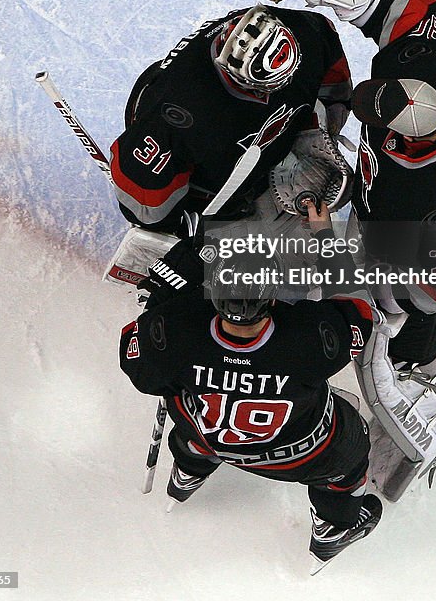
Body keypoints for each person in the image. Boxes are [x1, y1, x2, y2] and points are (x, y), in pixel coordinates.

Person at [247, 0, 436, 495]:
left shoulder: (432, 211)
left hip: (434, 271)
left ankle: (421, 382)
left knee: (402, 338)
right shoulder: (427, 82)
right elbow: (419, 15)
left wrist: (359, 284)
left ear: (403, 144)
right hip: (395, 239)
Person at [119, 209, 382, 574]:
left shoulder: (174, 326)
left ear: (213, 294)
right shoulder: (309, 336)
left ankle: (190, 468)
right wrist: (324, 237)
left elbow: (141, 371)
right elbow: (358, 309)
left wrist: (179, 274)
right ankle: (334, 528)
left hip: (207, 435)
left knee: (189, 417)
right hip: (297, 456)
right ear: (272, 298)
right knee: (349, 456)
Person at [110, 3, 352, 235]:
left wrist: (321, 126)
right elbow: (145, 204)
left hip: (246, 148)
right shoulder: (178, 115)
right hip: (199, 177)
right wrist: (184, 228)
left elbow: (333, 79)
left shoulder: (304, 31)